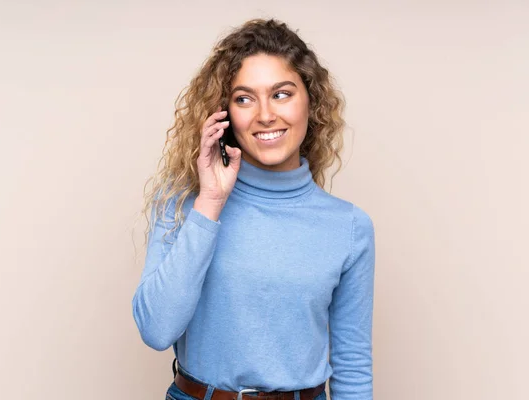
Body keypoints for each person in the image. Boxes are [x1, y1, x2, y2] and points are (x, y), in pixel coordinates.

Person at [132, 18, 375, 400]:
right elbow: (156, 330)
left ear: (310, 101)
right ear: (224, 113)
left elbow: (353, 365)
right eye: (244, 98)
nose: (264, 114)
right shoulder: (184, 202)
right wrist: (210, 203)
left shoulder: (348, 227)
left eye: (281, 94)